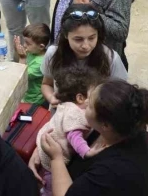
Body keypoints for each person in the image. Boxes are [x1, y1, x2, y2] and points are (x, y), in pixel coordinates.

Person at [36, 79, 148, 196]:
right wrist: (39, 151)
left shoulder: (110, 172)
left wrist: (55, 158)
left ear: (105, 125)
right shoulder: (130, 126)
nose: (86, 103)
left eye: (90, 106)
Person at [40, 3, 129, 107]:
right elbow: (46, 84)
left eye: (91, 38)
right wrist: (51, 97)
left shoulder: (110, 58)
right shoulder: (53, 54)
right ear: (65, 35)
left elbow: (120, 95)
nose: (86, 46)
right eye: (78, 39)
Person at [35, 65, 102, 196]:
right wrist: (87, 152)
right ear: (80, 98)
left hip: (45, 146)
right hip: (53, 158)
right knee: (50, 184)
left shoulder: (66, 105)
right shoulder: (75, 115)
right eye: (93, 94)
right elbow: (74, 137)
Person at [14, 23, 50, 105]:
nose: (24, 45)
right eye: (24, 42)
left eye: (28, 43)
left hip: (33, 99)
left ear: (41, 46)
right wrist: (17, 50)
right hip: (26, 93)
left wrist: (22, 58)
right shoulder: (33, 51)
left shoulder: (40, 64)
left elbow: (20, 78)